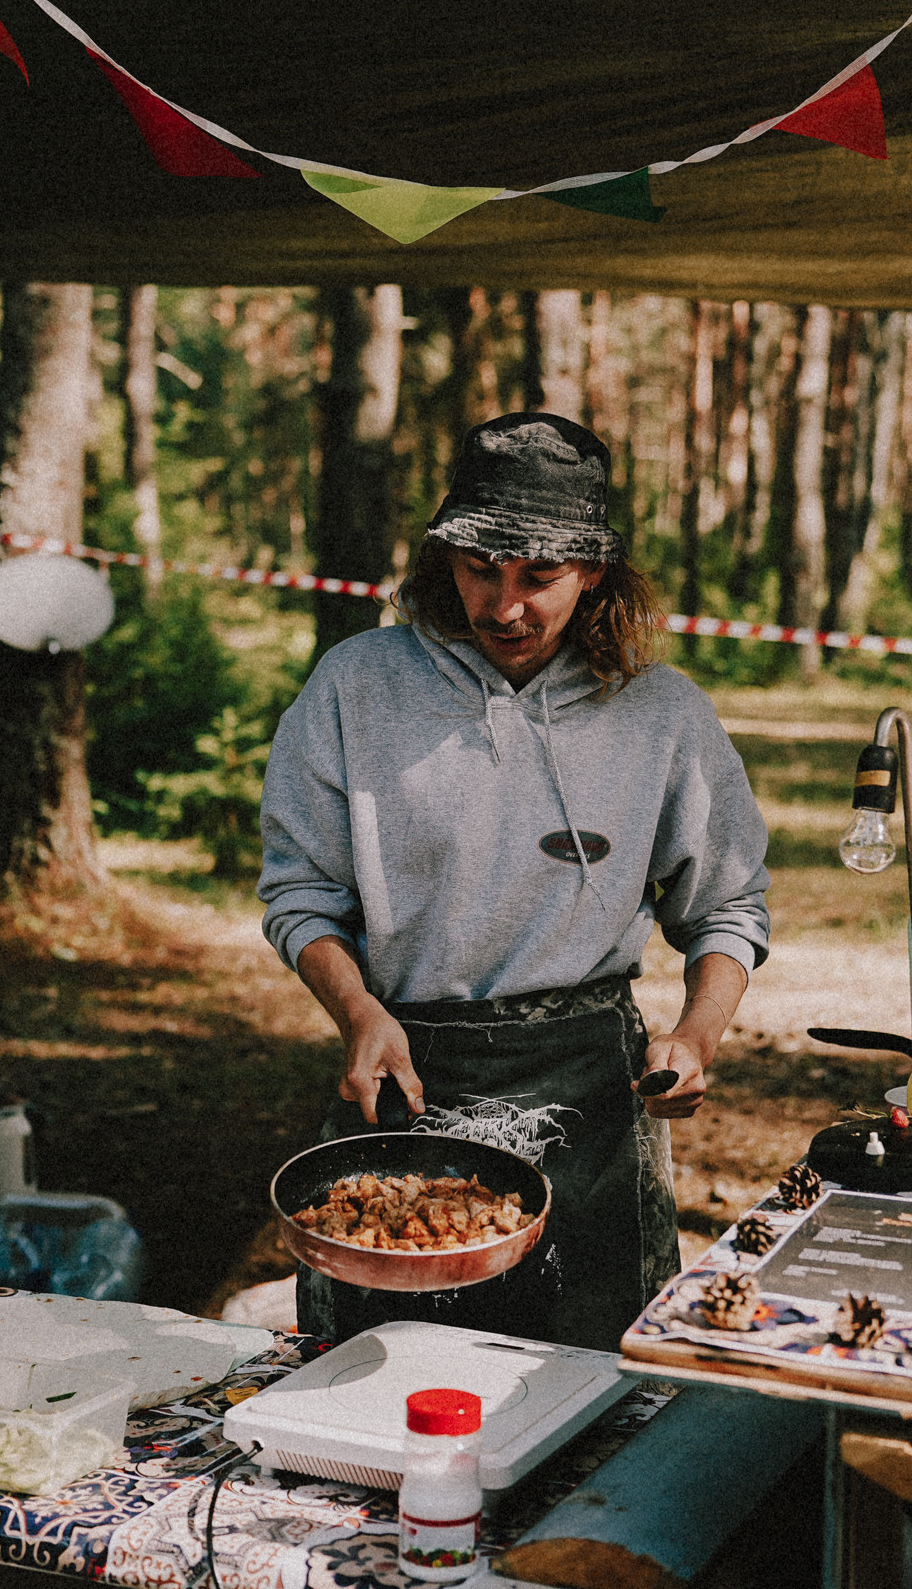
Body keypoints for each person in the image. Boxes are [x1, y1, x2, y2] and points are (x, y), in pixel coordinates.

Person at [259, 412, 771, 1351]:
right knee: (381, 1374)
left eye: (540, 578)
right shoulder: (355, 687)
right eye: (479, 570)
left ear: (595, 573)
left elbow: (728, 906)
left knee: (597, 1378)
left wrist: (697, 1036)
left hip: (594, 1094)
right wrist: (358, 1012)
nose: (505, 608)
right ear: (442, 561)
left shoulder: (660, 713)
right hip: (408, 1079)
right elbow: (302, 894)